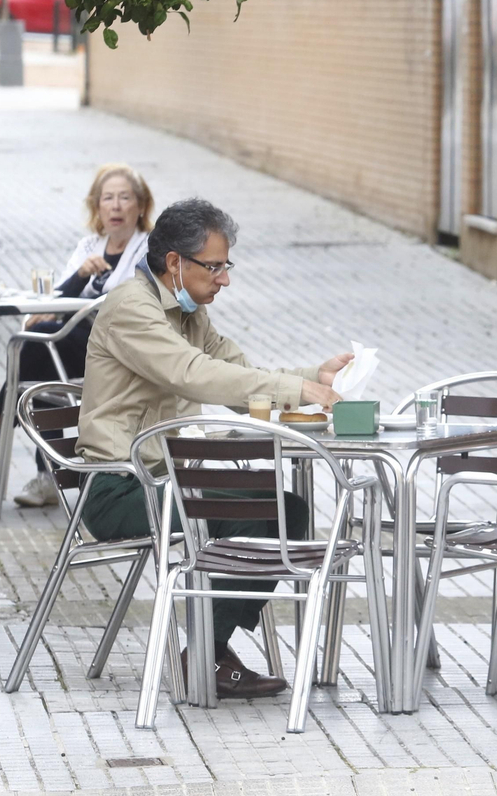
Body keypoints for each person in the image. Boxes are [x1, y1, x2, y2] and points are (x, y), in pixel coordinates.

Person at [75, 198, 351, 699]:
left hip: (171, 483)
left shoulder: (189, 312)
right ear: (176, 263)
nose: (224, 279)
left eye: (227, 267)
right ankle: (204, 654)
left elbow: (238, 369)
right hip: (120, 489)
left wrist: (315, 377)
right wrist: (297, 392)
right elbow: (195, 375)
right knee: (243, 512)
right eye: (215, 267)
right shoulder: (130, 308)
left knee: (287, 510)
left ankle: (209, 643)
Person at [0, 163, 154, 508]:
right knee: (41, 352)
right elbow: (57, 297)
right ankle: (47, 473)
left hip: (118, 350)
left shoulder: (147, 250)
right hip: (75, 344)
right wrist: (79, 276)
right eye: (108, 198)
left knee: (41, 340)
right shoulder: (89, 245)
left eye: (124, 198)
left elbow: (128, 306)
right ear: (97, 206)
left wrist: (57, 312)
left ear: (140, 205)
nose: (116, 206)